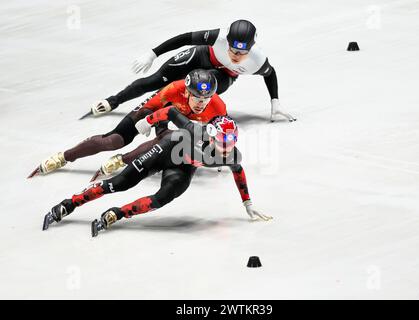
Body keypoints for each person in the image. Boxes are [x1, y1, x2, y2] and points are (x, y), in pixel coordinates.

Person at [42, 106, 272, 237]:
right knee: (120, 183)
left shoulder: (232, 155)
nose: (226, 146)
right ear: (210, 135)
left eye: (231, 141)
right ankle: (70, 203)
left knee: (163, 198)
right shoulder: (194, 129)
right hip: (165, 149)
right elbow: (171, 112)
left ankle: (117, 214)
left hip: (183, 166)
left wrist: (247, 203)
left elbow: (238, 172)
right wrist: (148, 121)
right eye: (222, 140)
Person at [30, 70, 227, 177]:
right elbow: (149, 108)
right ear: (186, 92)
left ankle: (122, 160)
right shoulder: (173, 90)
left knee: (169, 139)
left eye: (206, 98)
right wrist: (148, 122)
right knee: (113, 140)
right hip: (155, 112)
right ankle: (64, 157)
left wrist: (216, 151)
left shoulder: (218, 107)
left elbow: (224, 134)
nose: (202, 103)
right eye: (197, 98)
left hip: (178, 122)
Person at [91, 19, 296, 122]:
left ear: (250, 49)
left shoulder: (258, 60)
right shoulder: (218, 36)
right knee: (155, 80)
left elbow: (270, 74)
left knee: (200, 87)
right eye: (231, 49)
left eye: (240, 53)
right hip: (202, 55)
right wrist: (153, 54)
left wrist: (275, 101)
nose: (234, 55)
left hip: (224, 75)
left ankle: (165, 110)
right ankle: (113, 101)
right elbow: (184, 38)